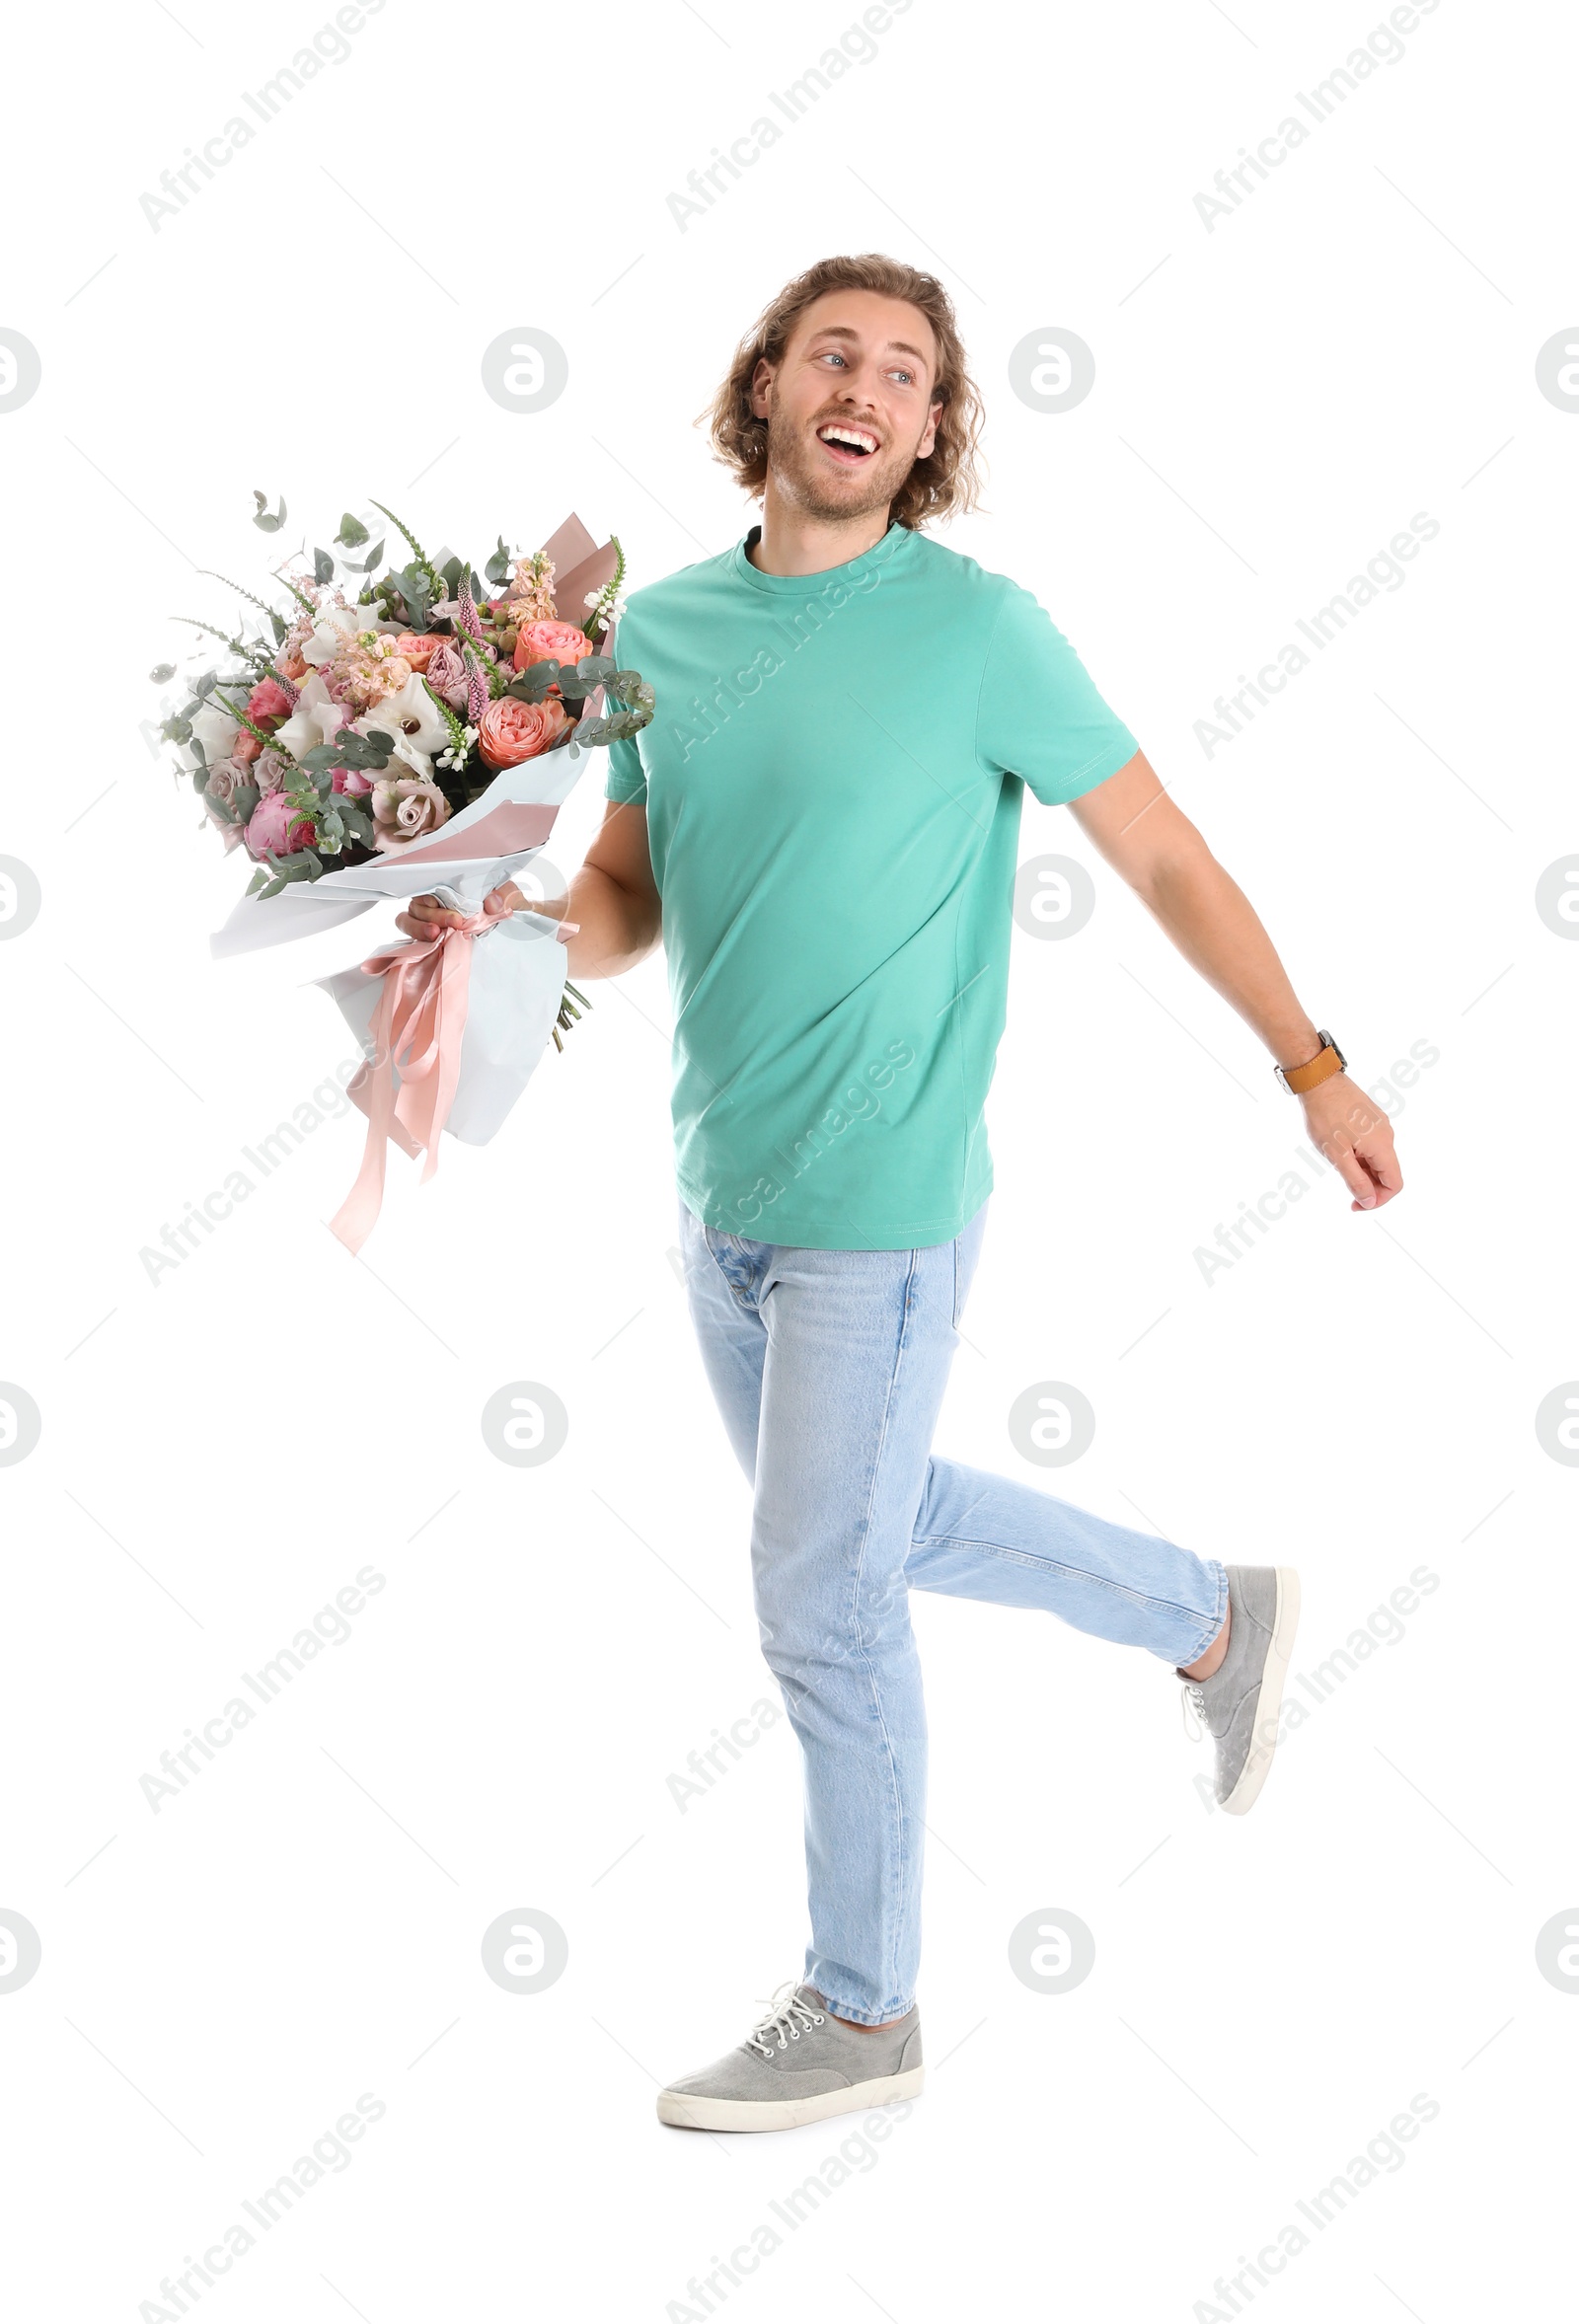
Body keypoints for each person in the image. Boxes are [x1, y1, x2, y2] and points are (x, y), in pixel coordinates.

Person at [404, 253, 1402, 2136]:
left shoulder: (979, 631)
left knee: (820, 1593)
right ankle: (1216, 1616)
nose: (868, 388)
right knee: (870, 1525)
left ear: (931, 434)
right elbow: (632, 896)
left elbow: (1168, 857)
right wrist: (521, 922)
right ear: (769, 388)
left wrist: (1311, 1063)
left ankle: (864, 2011)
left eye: (911, 374)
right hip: (721, 1196)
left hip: (885, 1191)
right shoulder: (665, 639)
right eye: (835, 354)